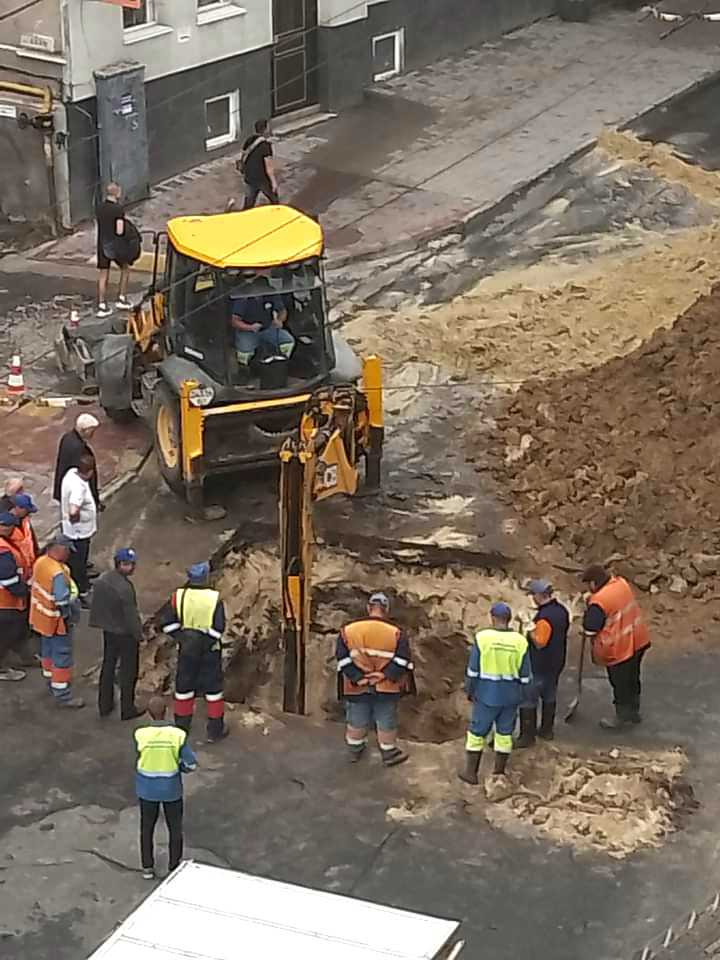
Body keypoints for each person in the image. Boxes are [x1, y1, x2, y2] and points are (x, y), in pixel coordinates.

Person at [336, 591, 414, 767]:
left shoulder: (348, 630)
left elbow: (343, 658)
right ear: (386, 609)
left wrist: (357, 677)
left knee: (356, 717)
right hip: (386, 686)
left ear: (368, 608)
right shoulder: (396, 633)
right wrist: (384, 674)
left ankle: (354, 751)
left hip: (357, 686)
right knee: (386, 718)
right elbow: (402, 660)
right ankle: (388, 752)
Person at [459, 602, 531, 785]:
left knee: (477, 733)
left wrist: (470, 690)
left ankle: (471, 773)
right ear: (509, 619)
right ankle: (498, 774)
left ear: (492, 617)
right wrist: (522, 695)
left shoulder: (482, 638)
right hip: (510, 697)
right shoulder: (520, 641)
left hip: (486, 695)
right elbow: (525, 675)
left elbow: (473, 671)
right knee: (505, 734)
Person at [159, 562, 228, 743]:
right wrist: (204, 642)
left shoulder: (178, 596)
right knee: (213, 692)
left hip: (187, 650)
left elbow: (167, 624)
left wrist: (183, 638)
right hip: (210, 651)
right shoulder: (215, 599)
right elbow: (218, 629)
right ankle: (215, 730)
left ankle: (181, 727)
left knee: (184, 688)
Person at [134, 695, 197, 880]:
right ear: (166, 711)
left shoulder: (140, 735)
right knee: (174, 828)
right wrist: (180, 767)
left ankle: (147, 868)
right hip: (171, 789)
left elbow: (138, 756)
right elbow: (191, 764)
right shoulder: (177, 735)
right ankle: (174, 866)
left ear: (148, 714)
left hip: (147, 789)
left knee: (147, 828)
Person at [581, 564, 650, 730]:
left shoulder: (599, 601)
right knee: (633, 678)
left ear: (593, 583)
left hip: (619, 648)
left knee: (620, 683)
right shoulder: (621, 584)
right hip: (637, 640)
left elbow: (591, 627)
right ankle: (633, 712)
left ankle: (622, 717)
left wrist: (588, 609)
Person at [90, 547, 144, 721]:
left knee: (108, 665)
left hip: (109, 630)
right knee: (128, 671)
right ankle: (127, 709)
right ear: (120, 564)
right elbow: (131, 616)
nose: (132, 567)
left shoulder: (103, 580)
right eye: (128, 564)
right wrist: (139, 635)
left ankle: (104, 705)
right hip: (125, 633)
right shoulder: (125, 588)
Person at [30, 536, 84, 708]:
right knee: (62, 656)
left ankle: (49, 679)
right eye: (67, 550)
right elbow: (62, 601)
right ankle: (63, 694)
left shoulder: (41, 563)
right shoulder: (58, 573)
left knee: (47, 651)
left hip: (42, 618)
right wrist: (69, 616)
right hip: (57, 621)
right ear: (59, 549)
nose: (68, 554)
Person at [515, 579, 570, 747]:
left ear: (540, 595)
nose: (532, 598)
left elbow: (540, 642)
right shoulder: (562, 611)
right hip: (556, 662)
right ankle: (547, 730)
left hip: (539, 664)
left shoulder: (545, 618)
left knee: (528, 699)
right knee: (549, 695)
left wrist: (528, 626)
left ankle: (527, 736)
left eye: (533, 595)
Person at [230, 274, 294, 367]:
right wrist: (250, 327)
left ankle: (282, 365)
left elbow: (282, 310)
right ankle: (244, 371)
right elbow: (234, 321)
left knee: (288, 341)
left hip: (268, 328)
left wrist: (280, 320)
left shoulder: (270, 294)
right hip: (247, 332)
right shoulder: (243, 297)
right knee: (244, 353)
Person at [60, 453, 98, 606]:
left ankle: (80, 580)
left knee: (77, 559)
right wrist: (77, 520)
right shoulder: (78, 488)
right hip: (79, 533)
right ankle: (82, 590)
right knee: (79, 561)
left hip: (72, 530)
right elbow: (73, 510)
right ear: (90, 472)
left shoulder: (71, 474)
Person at [0, 512, 28, 682]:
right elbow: (8, 579)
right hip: (5, 602)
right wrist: (24, 590)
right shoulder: (3, 551)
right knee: (5, 635)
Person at [96, 181, 131, 318]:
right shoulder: (118, 209)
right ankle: (122, 298)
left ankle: (102, 305)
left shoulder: (99, 208)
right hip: (115, 245)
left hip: (102, 244)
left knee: (103, 274)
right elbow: (120, 230)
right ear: (116, 192)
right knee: (125, 269)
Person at [52, 413, 101, 509]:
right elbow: (84, 473)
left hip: (64, 488)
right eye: (92, 430)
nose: (93, 433)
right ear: (84, 430)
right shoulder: (79, 448)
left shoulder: (67, 437)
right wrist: (94, 498)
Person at [240, 119, 278, 209]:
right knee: (274, 200)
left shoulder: (249, 140)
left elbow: (243, 154)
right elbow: (268, 166)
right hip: (262, 178)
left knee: (248, 204)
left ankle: (244, 218)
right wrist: (273, 182)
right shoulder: (266, 146)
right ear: (265, 129)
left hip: (249, 176)